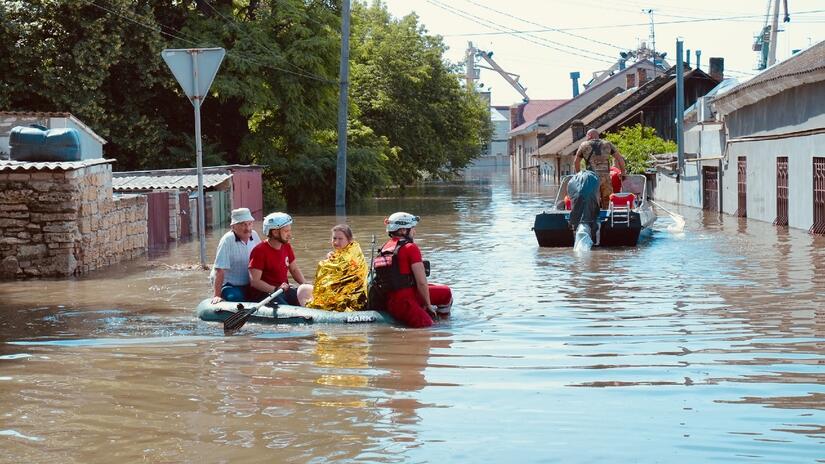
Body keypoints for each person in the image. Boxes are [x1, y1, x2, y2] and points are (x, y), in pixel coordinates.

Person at [369, 212, 452, 328]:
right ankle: (442, 320)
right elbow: (422, 282)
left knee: (445, 292)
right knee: (429, 328)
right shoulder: (410, 248)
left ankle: (440, 320)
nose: (415, 232)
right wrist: (428, 305)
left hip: (391, 301)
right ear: (403, 230)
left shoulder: (384, 248)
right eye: (412, 228)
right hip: (406, 302)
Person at [304, 224, 369, 312]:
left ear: (350, 240)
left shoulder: (351, 256)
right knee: (303, 289)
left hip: (348, 301)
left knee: (303, 291)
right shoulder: (346, 252)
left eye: (340, 239)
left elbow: (332, 277)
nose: (336, 242)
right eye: (334, 238)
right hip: (339, 294)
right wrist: (331, 258)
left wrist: (328, 262)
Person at [248, 212, 308, 306]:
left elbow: (294, 269)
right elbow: (255, 282)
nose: (289, 234)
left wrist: (305, 285)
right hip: (266, 294)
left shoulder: (286, 246)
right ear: (275, 232)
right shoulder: (259, 251)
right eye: (286, 231)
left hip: (284, 290)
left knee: (310, 301)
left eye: (289, 230)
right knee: (289, 310)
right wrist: (275, 289)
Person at [210, 207, 260, 304]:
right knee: (235, 298)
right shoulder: (227, 240)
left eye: (250, 224)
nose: (248, 228)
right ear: (233, 227)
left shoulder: (254, 235)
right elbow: (219, 269)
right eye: (243, 224)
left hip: (251, 283)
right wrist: (217, 295)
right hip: (231, 285)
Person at [574, 129, 627, 208]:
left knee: (592, 200)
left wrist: (579, 175)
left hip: (591, 178)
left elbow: (576, 161)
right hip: (605, 177)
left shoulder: (583, 145)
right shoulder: (608, 144)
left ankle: (594, 218)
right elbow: (619, 158)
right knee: (607, 200)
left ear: (589, 136)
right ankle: (607, 217)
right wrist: (623, 172)